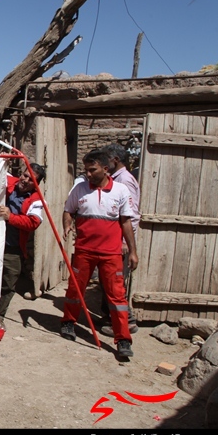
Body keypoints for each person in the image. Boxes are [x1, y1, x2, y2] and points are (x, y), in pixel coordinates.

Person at [60, 149, 138, 359]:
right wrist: (67, 225)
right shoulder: (80, 189)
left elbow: (126, 222)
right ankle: (68, 323)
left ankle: (122, 339)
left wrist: (132, 252)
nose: (88, 174)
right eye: (86, 169)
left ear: (105, 169)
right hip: (84, 251)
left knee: (117, 296)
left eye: (92, 169)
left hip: (111, 254)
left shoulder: (121, 190)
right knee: (76, 289)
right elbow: (68, 210)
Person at [0, 163, 46, 327]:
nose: (25, 180)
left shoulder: (36, 200)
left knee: (8, 283)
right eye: (25, 175)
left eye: (31, 180)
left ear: (36, 184)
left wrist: (11, 217)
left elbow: (33, 222)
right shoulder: (9, 181)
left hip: (13, 247)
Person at [99, 143, 140, 337]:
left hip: (120, 243)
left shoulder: (124, 181)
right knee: (109, 282)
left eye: (107, 160)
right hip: (113, 241)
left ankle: (127, 322)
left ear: (115, 160)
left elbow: (131, 215)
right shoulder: (116, 179)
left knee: (115, 284)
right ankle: (110, 318)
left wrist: (126, 243)